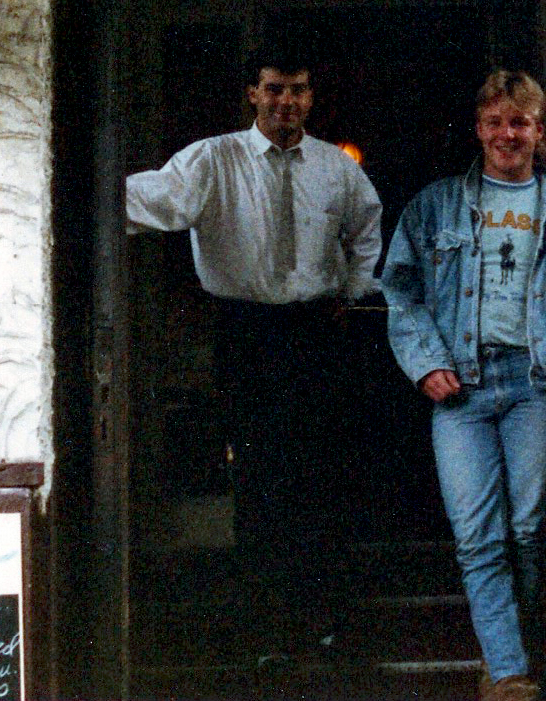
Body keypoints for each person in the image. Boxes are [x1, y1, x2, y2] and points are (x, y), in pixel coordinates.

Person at [125, 49, 383, 666]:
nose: (284, 102)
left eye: (297, 90)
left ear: (311, 96)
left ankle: (324, 624)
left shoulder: (335, 169)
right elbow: (144, 201)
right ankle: (268, 629)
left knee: (321, 476)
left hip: (317, 332)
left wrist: (353, 290)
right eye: (273, 89)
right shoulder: (214, 159)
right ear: (252, 93)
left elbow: (366, 231)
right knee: (260, 478)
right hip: (246, 332)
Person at [381, 70, 546, 701]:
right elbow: (399, 290)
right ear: (479, 128)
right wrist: (426, 361)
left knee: (523, 526)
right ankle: (509, 670)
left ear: (538, 131)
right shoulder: (437, 205)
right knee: (477, 534)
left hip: (536, 382)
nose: (506, 134)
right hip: (461, 388)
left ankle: (515, 648)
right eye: (495, 122)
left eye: (519, 123)